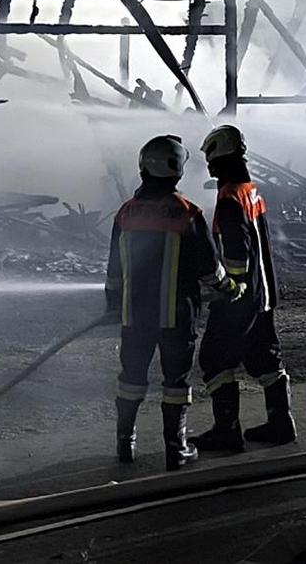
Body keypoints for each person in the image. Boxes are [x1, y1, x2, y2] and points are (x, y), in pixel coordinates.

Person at [105, 134, 242, 468]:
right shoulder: (187, 213)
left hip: (133, 317)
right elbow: (210, 269)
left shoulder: (126, 213)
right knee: (176, 383)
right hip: (176, 318)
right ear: (177, 170)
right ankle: (175, 448)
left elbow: (114, 271)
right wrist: (230, 288)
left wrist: (113, 304)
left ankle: (126, 444)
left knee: (131, 377)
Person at [192, 123, 294, 452]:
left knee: (214, 358)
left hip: (242, 296)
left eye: (211, 159)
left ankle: (227, 432)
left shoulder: (229, 197)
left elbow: (238, 251)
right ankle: (282, 424)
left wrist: (227, 289)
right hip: (264, 294)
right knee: (264, 356)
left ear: (218, 158)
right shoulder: (251, 190)